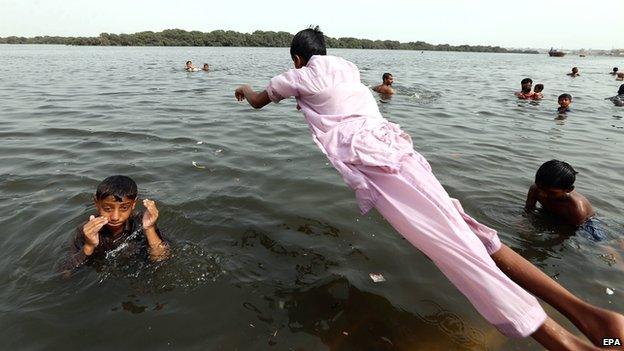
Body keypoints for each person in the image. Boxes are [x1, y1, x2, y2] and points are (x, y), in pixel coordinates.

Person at [233, 26, 623, 350]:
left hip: (377, 164)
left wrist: (246, 88)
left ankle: (570, 345)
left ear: (297, 58)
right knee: (470, 234)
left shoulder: (299, 74)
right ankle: (596, 318)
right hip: (400, 152)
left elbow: (257, 101)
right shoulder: (347, 67)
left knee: (454, 251)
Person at [64, 175, 169, 272]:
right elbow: (65, 273)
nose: (115, 217)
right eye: (108, 208)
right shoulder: (86, 231)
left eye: (124, 208)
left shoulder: (142, 222)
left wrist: (149, 229)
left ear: (133, 204)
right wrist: (89, 246)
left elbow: (161, 260)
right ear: (97, 203)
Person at [524, 160, 606, 241]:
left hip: (586, 223)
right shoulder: (535, 189)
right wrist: (523, 223)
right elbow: (529, 208)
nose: (543, 194)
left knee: (599, 241)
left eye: (551, 192)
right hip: (553, 214)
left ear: (568, 190)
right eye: (540, 188)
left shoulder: (576, 208)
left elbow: (569, 232)